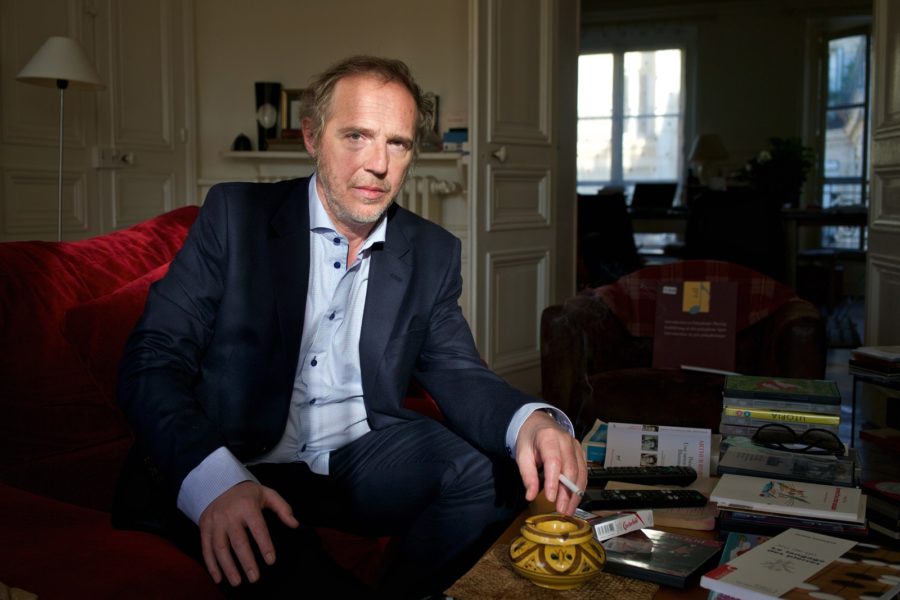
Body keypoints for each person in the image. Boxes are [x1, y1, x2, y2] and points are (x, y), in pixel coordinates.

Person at [113, 55, 586, 599]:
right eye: (357, 136)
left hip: (355, 454)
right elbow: (153, 359)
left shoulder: (430, 251)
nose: (379, 164)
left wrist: (533, 423)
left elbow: (457, 370)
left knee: (491, 474)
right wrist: (215, 481)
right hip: (238, 454)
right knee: (298, 573)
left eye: (398, 144)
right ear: (312, 136)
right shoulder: (235, 216)